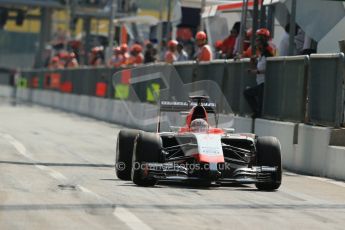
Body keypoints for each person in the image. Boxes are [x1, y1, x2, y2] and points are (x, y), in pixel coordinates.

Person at [244, 28, 275, 118]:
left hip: (264, 83)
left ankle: (256, 114)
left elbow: (268, 69)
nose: (256, 44)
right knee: (255, 99)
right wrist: (254, 60)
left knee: (247, 93)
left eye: (258, 40)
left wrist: (255, 71)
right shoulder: (261, 55)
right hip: (260, 83)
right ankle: (256, 114)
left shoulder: (268, 54)